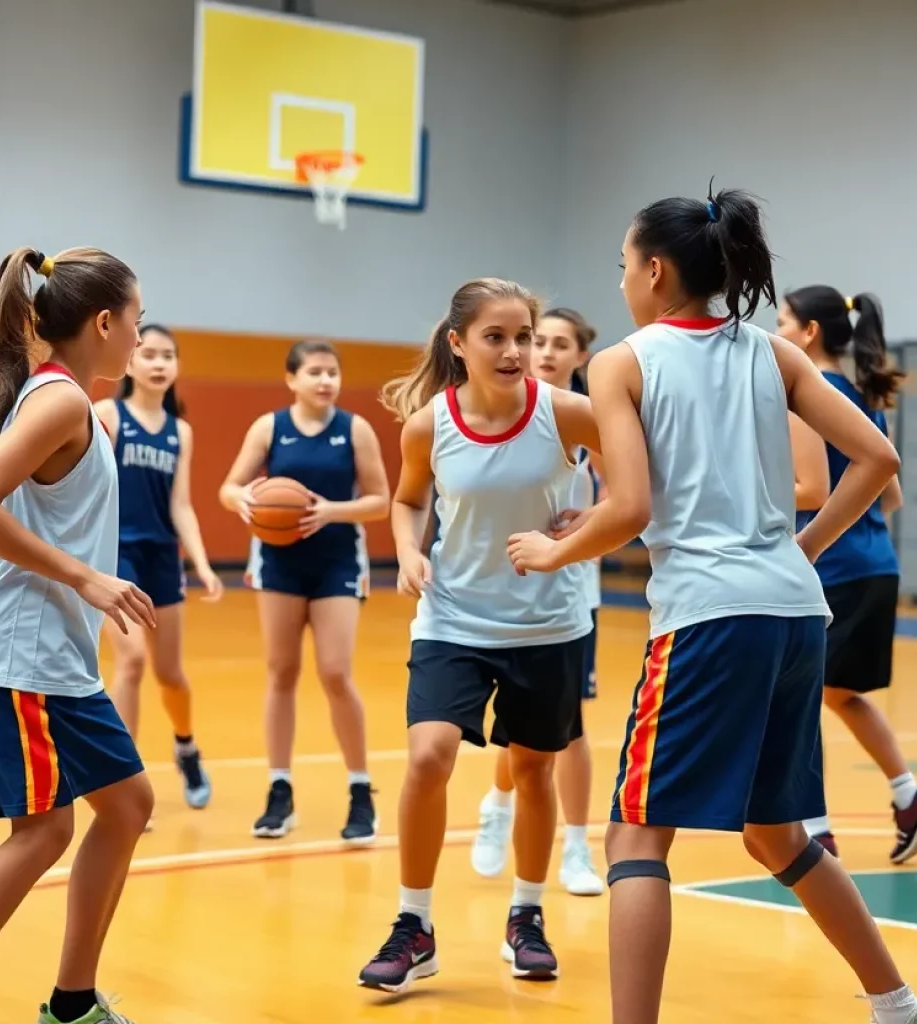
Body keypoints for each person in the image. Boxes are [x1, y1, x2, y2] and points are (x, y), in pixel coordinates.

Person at [507, 190, 917, 1024]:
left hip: (708, 616)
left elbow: (628, 507)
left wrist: (553, 549)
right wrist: (801, 551)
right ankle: (898, 1005)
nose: (624, 278)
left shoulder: (623, 362)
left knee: (636, 838)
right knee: (777, 833)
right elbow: (877, 457)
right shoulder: (769, 353)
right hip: (791, 615)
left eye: (625, 263)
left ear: (655, 270)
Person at [357, 278, 600, 994]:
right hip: (453, 617)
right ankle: (414, 926)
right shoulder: (429, 424)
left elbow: (633, 494)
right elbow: (407, 502)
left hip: (548, 621)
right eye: (497, 337)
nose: (516, 350)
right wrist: (407, 551)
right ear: (458, 344)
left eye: (524, 337)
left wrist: (582, 529)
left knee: (532, 772)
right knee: (429, 756)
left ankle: (526, 915)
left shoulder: (568, 413)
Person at [0, 247, 156, 1024]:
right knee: (43, 831)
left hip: (48, 654)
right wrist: (84, 576)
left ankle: (73, 1004)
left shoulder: (69, 399)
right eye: (136, 320)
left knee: (128, 805)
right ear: (104, 322)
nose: (139, 335)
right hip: (17, 650)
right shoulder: (61, 402)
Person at [777, 287, 917, 862]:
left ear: (808, 333)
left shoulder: (811, 394)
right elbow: (890, 494)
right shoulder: (860, 396)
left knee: (802, 696)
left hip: (833, 566)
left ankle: (818, 828)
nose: (776, 333)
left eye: (783, 322)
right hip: (877, 564)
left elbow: (813, 488)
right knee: (840, 695)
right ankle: (909, 796)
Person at [220, 340, 390, 842]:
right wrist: (245, 501)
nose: (325, 380)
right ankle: (280, 790)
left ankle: (361, 792)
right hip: (280, 562)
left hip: (337, 558)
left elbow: (380, 501)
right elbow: (229, 488)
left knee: (336, 672)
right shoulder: (269, 427)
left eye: (332, 372)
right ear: (291, 379)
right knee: (282, 672)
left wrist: (329, 510)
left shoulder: (354, 429)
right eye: (315, 372)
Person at [471, 307, 605, 896]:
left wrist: (590, 524)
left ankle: (576, 847)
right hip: (496, 593)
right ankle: (499, 802)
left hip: (570, 595)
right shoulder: (497, 408)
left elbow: (632, 490)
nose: (546, 352)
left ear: (580, 355)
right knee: (523, 734)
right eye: (539, 340)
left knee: (568, 728)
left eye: (559, 344)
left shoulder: (591, 417)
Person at [95, 324, 222, 822]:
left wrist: (204, 564)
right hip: (115, 555)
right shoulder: (108, 415)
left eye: (168, 356)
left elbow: (182, 506)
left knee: (170, 674)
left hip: (162, 557)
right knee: (130, 663)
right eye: (148, 354)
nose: (159, 363)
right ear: (129, 363)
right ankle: (126, 783)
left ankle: (186, 748)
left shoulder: (179, 431)